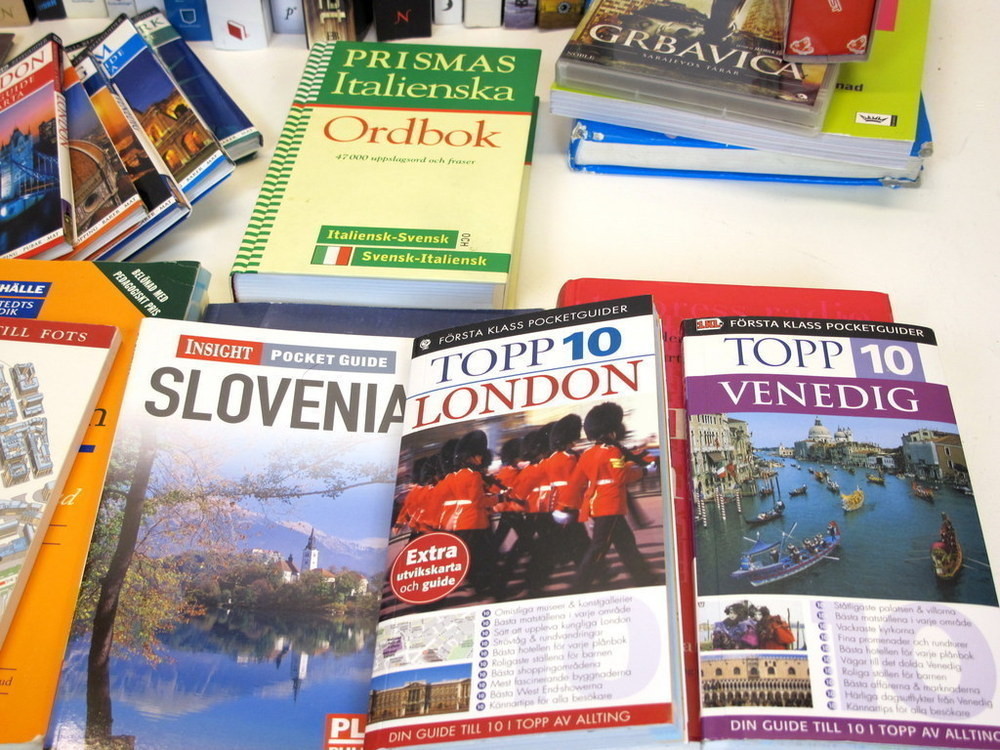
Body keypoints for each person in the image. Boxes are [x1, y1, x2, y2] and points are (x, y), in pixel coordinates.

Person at [565, 402, 654, 593]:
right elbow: (620, 476)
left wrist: (564, 505)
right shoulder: (612, 451)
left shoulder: (587, 454)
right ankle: (579, 586)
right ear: (611, 431)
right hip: (610, 504)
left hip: (598, 505)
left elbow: (576, 482)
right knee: (599, 548)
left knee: (626, 544)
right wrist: (644, 472)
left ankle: (645, 578)